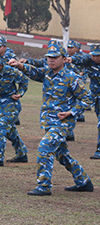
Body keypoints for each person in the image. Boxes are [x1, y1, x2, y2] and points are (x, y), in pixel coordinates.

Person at [9, 44, 93, 196]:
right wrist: (20, 65)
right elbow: (34, 72)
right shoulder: (47, 73)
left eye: (55, 57)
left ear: (63, 59)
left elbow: (87, 99)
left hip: (64, 123)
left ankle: (44, 185)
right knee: (61, 154)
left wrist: (71, 112)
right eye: (49, 57)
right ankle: (83, 181)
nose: (51, 60)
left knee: (45, 147)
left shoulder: (72, 77)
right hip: (49, 121)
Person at [70, 43, 100, 159]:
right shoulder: (88, 60)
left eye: (98, 56)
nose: (96, 58)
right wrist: (70, 59)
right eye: (94, 56)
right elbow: (80, 58)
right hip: (94, 97)